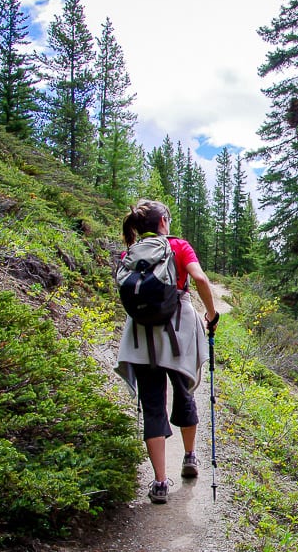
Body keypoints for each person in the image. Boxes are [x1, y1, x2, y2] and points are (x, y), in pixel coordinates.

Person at [114, 199, 220, 505]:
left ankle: (160, 482)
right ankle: (189, 457)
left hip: (141, 337)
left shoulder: (129, 254)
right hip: (177, 332)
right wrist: (211, 315)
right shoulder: (179, 247)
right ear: (163, 223)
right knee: (184, 392)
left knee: (152, 405)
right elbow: (199, 279)